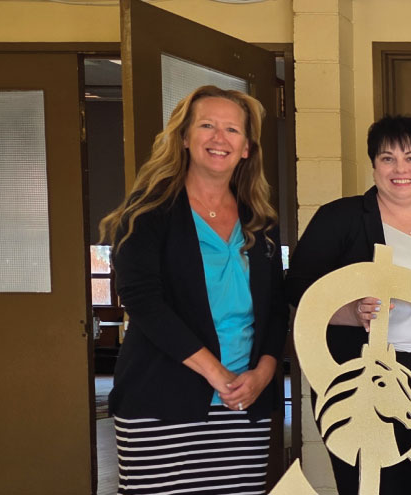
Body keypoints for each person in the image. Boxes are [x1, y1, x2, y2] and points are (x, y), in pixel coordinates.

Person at [285, 115, 411, 495]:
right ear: (374, 166)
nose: (401, 169)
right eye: (387, 158)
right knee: (363, 481)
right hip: (356, 373)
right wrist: (350, 313)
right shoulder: (340, 217)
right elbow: (299, 288)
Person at [100, 85, 286, 495]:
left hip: (243, 404)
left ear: (246, 149)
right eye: (207, 125)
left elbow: (275, 310)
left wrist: (265, 373)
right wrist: (217, 374)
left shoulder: (260, 222)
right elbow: (145, 304)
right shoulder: (145, 216)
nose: (219, 138)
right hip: (161, 400)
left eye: (232, 130)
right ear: (184, 138)